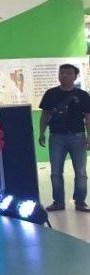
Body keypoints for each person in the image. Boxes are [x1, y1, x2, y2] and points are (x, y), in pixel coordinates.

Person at [38, 63, 90, 212]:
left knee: (81, 172)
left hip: (78, 137)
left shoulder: (83, 95)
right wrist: (42, 133)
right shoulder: (50, 93)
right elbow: (45, 114)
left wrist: (89, 136)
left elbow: (88, 117)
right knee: (55, 172)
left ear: (75, 76)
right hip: (56, 137)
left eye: (68, 73)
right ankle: (58, 202)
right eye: (62, 73)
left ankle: (80, 202)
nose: (64, 75)